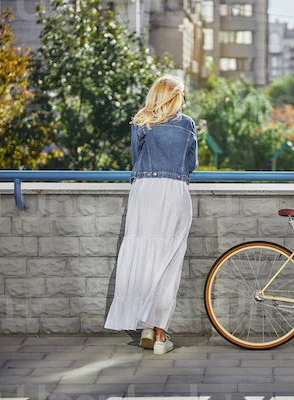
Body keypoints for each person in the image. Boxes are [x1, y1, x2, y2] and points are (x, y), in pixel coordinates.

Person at [104, 75, 198, 355]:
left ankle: (146, 325)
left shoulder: (141, 122)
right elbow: (191, 164)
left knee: (143, 256)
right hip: (174, 191)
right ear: (176, 97)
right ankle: (159, 335)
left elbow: (137, 159)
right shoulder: (187, 124)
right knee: (168, 261)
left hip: (144, 191)